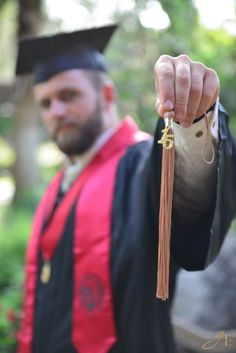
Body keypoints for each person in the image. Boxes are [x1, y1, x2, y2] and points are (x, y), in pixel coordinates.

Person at [15, 24, 236, 353]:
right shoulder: (57, 188)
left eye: (68, 95)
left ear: (106, 95)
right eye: (46, 104)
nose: (56, 112)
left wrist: (192, 123)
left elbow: (188, 194)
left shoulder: (141, 164)